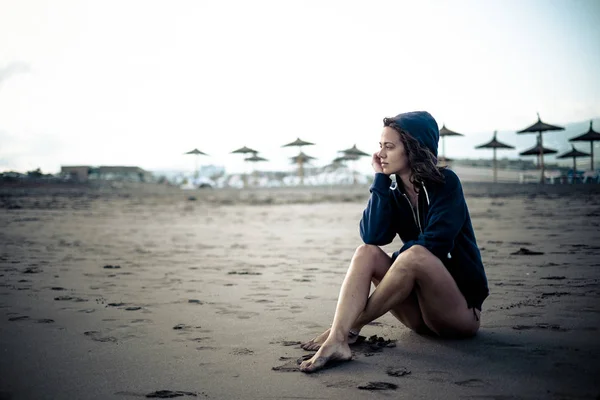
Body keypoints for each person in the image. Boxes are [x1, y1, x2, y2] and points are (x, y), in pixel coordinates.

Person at [299, 111, 489, 373]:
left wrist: (401, 259)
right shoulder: (393, 191)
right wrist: (380, 180)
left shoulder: (446, 184)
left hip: (458, 315)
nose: (381, 154)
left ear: (413, 149)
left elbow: (437, 244)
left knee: (415, 255)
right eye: (380, 146)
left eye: (389, 147)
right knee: (366, 253)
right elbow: (372, 236)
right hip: (418, 317)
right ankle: (340, 338)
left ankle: (342, 332)